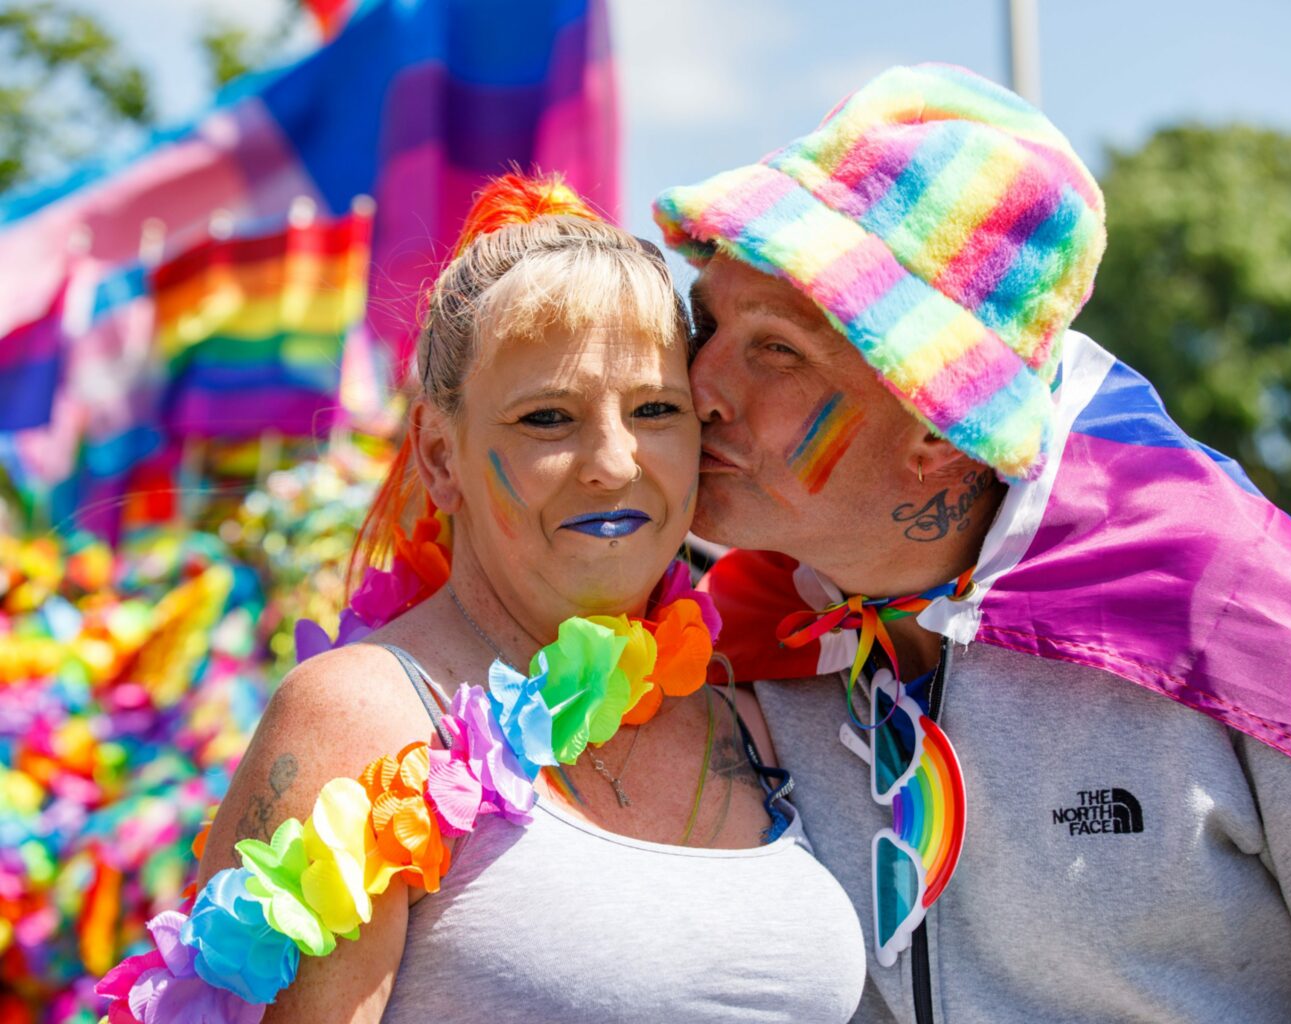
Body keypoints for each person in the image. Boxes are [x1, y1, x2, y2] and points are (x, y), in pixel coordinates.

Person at [653, 63, 1291, 1023]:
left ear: (942, 423)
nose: (697, 385)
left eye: (777, 348)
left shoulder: (1243, 631)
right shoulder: (728, 639)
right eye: (708, 322)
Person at [97, 174, 866, 1024]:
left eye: (655, 409)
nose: (614, 463)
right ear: (439, 456)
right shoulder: (364, 716)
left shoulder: (753, 713)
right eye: (547, 419)